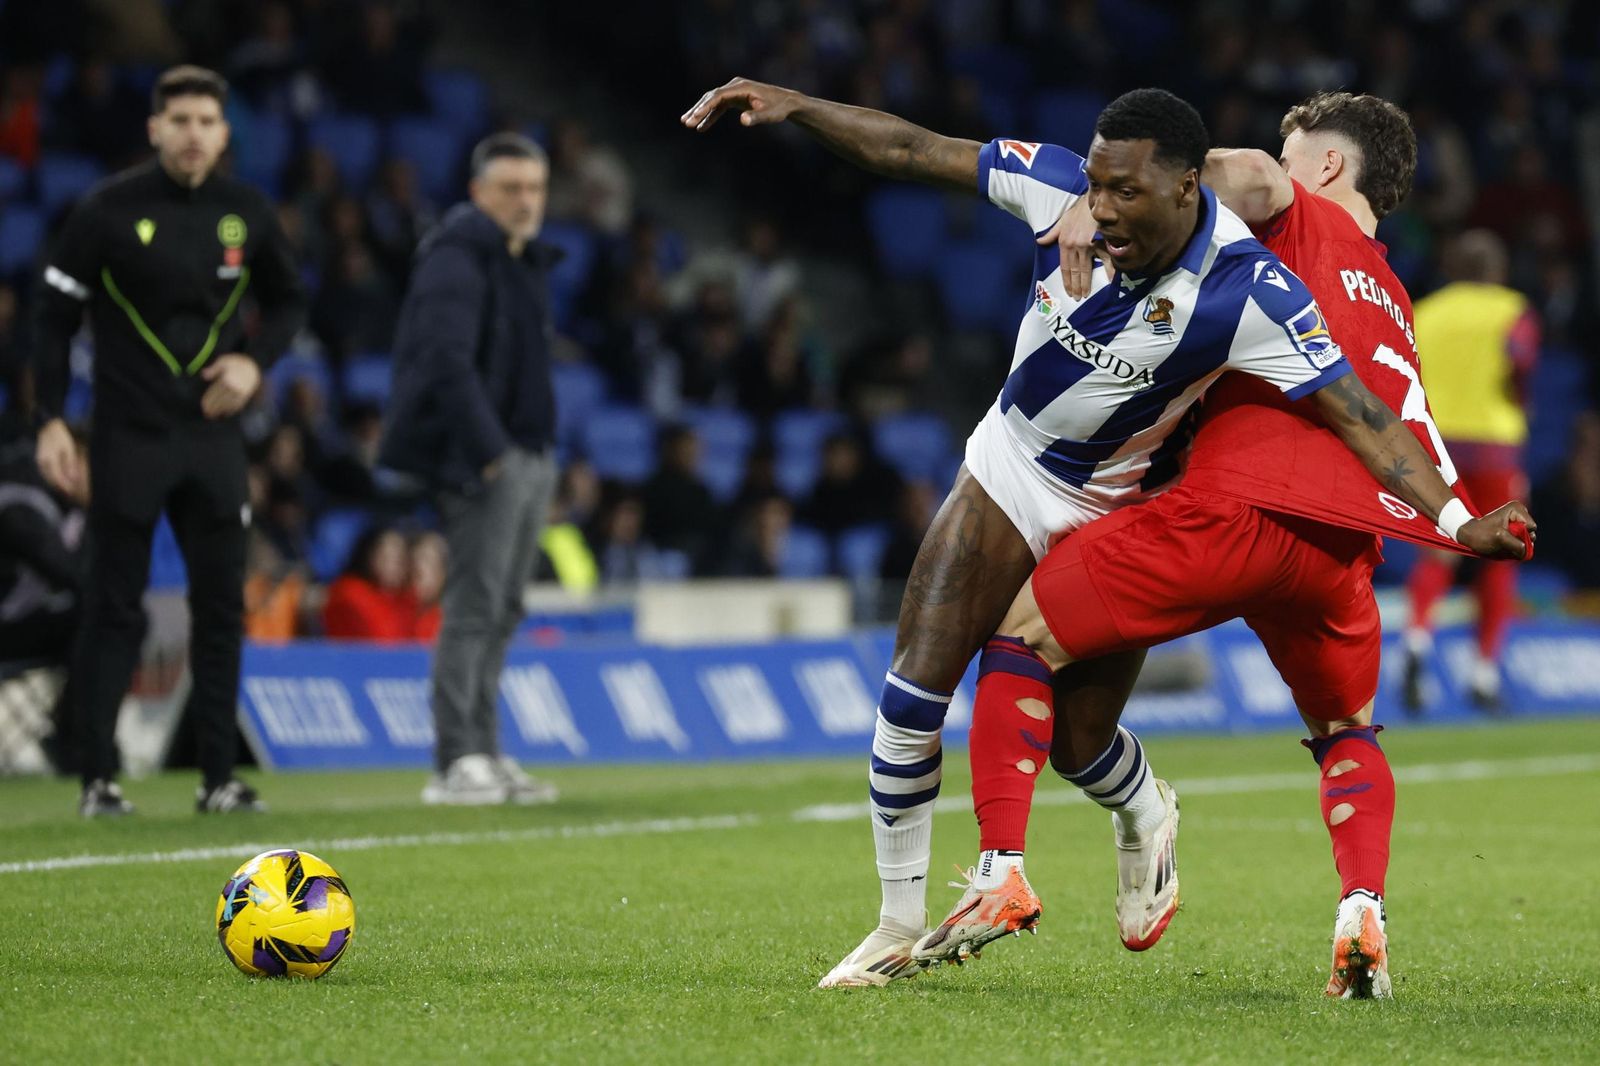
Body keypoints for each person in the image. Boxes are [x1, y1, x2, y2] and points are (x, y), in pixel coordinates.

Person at [681, 81, 1527, 989]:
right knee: (911, 695)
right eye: (1099, 186)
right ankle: (903, 919)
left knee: (1080, 738)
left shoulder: (1252, 289)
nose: (1106, 209)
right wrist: (799, 107)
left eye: (1128, 192)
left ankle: (1144, 814)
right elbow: (909, 148)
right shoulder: (1060, 192)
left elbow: (1362, 413)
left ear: (1185, 190)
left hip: (1126, 502)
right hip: (1015, 465)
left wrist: (1453, 521)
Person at [925, 92, 1533, 999]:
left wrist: (1108, 197)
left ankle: (1000, 868)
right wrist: (1457, 523)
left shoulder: (1295, 217)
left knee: (1019, 635)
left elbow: (1245, 174)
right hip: (1341, 555)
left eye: (1295, 155)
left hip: (1232, 512)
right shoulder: (1395, 295)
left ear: (1325, 167)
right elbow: (1382, 417)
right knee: (1347, 733)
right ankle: (1360, 909)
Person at [33, 65, 305, 816]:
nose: (193, 135)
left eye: (206, 122)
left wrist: (255, 362)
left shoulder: (246, 211)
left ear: (225, 132)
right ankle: (98, 778)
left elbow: (289, 299)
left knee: (221, 605)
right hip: (129, 435)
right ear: (155, 129)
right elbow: (49, 318)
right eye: (179, 121)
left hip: (212, 437)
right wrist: (50, 418)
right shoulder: (106, 210)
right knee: (113, 606)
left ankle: (217, 778)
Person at [379, 132, 560, 807]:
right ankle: (455, 760)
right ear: (478, 193)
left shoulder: (519, 261)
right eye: (511, 189)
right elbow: (446, 363)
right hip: (487, 461)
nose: (525, 202)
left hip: (525, 454)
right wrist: (491, 453)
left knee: (503, 607)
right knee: (474, 607)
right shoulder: (457, 260)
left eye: (535, 189)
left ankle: (485, 751)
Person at [1400, 230, 1539, 710]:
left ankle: (1416, 638)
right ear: (1497, 270)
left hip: (1437, 444)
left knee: (1439, 551)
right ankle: (1483, 673)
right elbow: (1521, 359)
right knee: (1505, 552)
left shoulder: (1426, 310)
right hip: (1496, 447)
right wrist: (1521, 397)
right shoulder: (1512, 309)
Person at [321, 525, 419, 642]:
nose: (392, 565)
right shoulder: (349, 592)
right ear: (368, 556)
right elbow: (382, 642)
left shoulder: (409, 598)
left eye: (399, 558)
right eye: (385, 557)